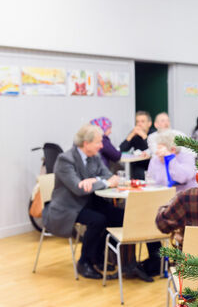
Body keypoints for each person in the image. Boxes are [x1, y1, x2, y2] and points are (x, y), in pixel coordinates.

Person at [42, 124, 121, 279]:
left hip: (88, 203)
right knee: (98, 220)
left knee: (121, 216)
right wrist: (103, 182)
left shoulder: (94, 157)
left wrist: (94, 180)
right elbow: (78, 188)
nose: (101, 146)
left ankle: (98, 257)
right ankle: (84, 262)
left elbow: (109, 176)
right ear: (86, 143)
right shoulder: (65, 159)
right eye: (98, 142)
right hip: (67, 207)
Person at [119, 111, 155, 179]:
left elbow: (154, 149)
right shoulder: (134, 134)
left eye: (142, 121)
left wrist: (144, 136)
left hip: (151, 163)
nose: (139, 124)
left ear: (149, 124)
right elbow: (122, 149)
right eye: (137, 122)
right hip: (138, 164)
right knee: (137, 172)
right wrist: (131, 135)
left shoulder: (154, 134)